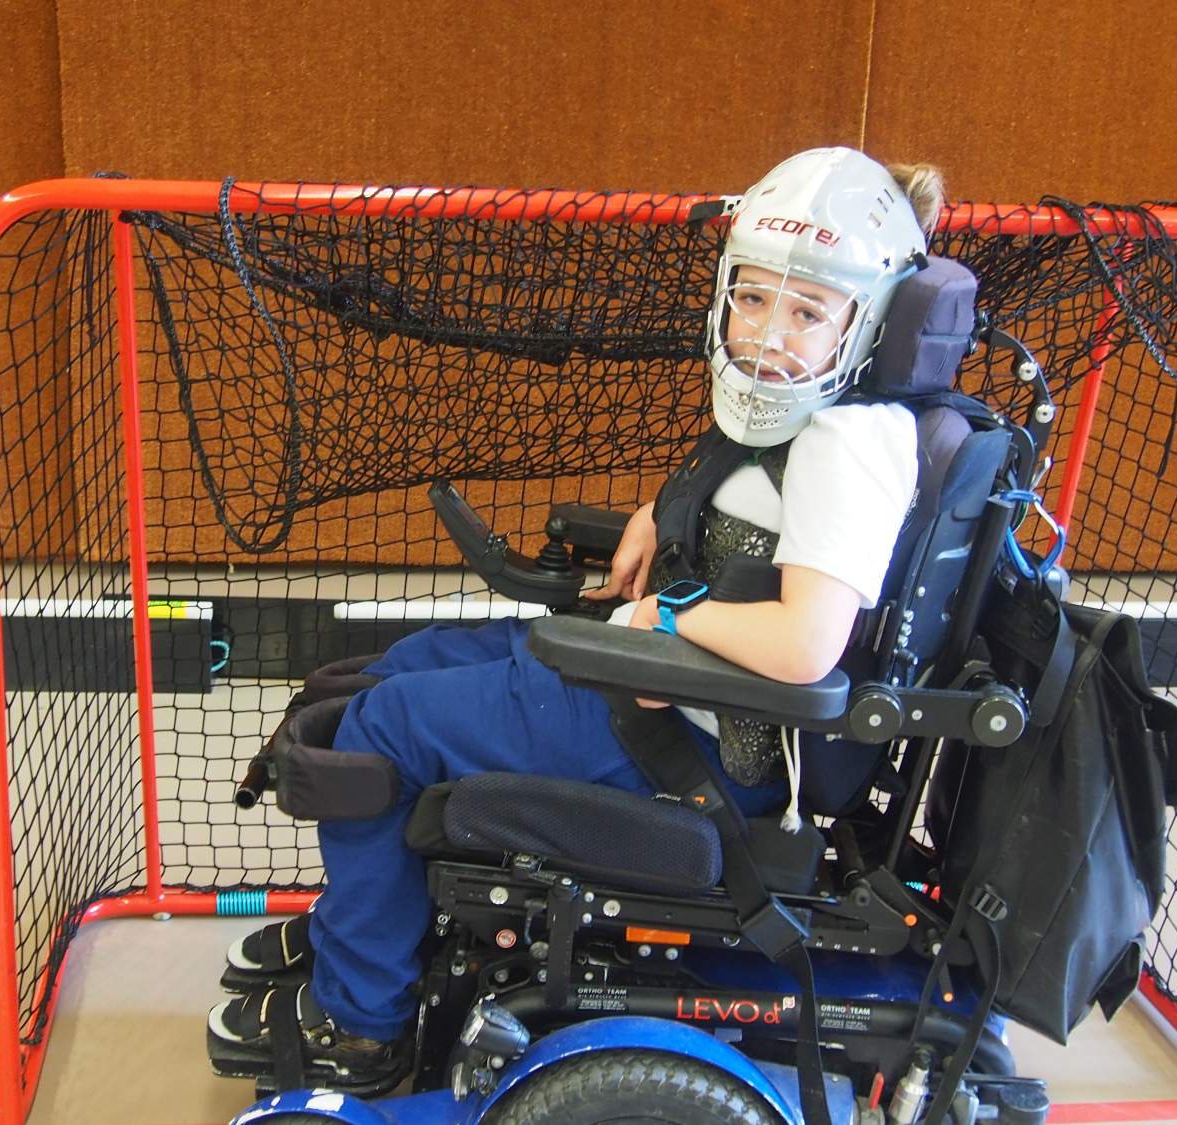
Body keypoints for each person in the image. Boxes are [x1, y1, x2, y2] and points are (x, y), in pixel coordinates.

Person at [209, 147, 944, 1087]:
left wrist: (669, 619)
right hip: (654, 689)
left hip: (696, 746)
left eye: (807, 312)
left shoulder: (849, 441)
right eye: (754, 298)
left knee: (377, 728)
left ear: (868, 319)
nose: (768, 334)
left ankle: (360, 1021)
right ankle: (361, 931)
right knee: (390, 671)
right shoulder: (801, 412)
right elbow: (758, 520)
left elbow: (806, 642)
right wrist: (664, 516)